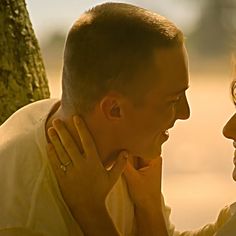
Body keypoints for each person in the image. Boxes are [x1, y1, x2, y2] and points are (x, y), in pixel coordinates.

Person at [0, 2, 234, 236]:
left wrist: (99, 212)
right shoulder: (22, 219)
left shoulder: (125, 148)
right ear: (114, 110)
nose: (185, 113)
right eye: (172, 101)